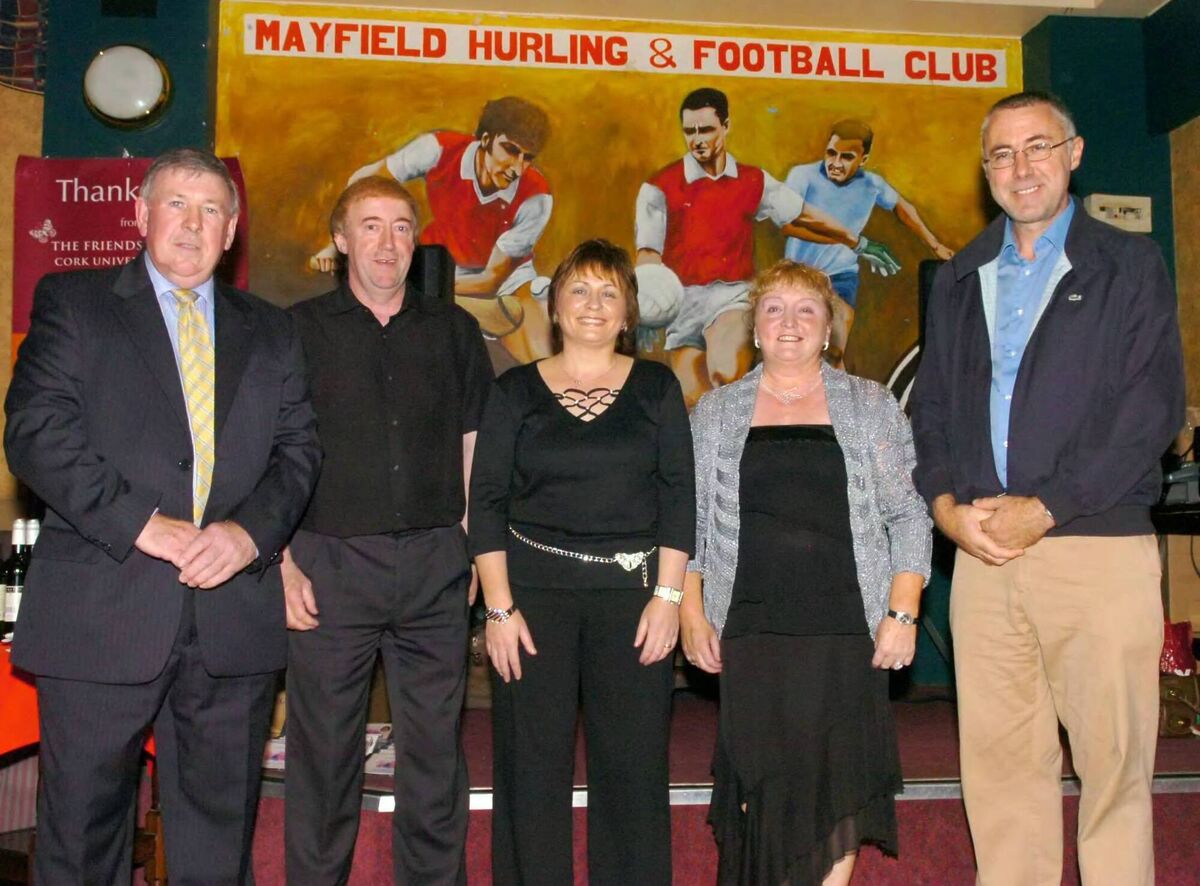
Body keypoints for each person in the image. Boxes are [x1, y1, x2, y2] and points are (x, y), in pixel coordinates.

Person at [4, 147, 321, 884]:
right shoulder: (74, 301)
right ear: (141, 215)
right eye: (177, 204)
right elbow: (36, 433)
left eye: (212, 210)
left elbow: (300, 452)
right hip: (102, 616)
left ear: (232, 230)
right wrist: (142, 523)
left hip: (232, 622)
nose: (193, 223)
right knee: (82, 845)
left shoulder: (272, 330)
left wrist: (248, 536)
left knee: (217, 852)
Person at [910, 90, 1185, 886]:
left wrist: (1049, 507)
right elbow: (931, 410)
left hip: (1095, 546)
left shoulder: (1128, 264)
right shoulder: (959, 276)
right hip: (983, 557)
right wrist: (945, 508)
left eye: (1038, 146)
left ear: (1074, 154)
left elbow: (1151, 407)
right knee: (1000, 777)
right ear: (985, 170)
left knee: (1114, 769)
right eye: (1002, 154)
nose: (1020, 167)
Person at [681, 260, 931, 885]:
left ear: (827, 329)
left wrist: (902, 613)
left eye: (806, 309)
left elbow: (909, 515)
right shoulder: (715, 413)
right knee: (761, 788)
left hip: (847, 631)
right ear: (755, 328)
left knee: (834, 788)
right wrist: (691, 612)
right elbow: (688, 526)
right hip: (750, 632)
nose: (789, 322)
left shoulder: (870, 406)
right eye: (774, 308)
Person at [284, 176, 493, 884]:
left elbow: (474, 440)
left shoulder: (453, 331)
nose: (387, 242)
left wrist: (470, 546)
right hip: (327, 567)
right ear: (341, 240)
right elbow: (269, 451)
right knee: (324, 756)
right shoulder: (296, 331)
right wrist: (282, 562)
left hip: (435, 565)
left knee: (434, 759)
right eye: (370, 226)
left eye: (401, 227)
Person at [469, 239, 695, 885]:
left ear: (627, 312)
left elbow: (679, 497)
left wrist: (669, 599)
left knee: (633, 771)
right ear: (555, 306)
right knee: (530, 768)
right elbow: (486, 502)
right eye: (579, 289)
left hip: (635, 603)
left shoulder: (657, 387)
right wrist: (498, 609)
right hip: (530, 603)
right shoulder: (513, 391)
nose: (593, 304)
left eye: (608, 292)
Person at [634, 87, 900, 403]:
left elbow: (803, 215)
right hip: (683, 304)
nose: (697, 140)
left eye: (706, 129)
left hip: (734, 296)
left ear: (725, 126)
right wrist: (646, 306)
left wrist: (857, 242)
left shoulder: (753, 180)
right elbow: (648, 253)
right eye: (689, 131)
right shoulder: (657, 187)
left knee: (725, 375)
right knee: (693, 402)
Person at [310, 96, 554, 366]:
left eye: (527, 158)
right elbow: (364, 183)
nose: (517, 168)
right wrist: (337, 244)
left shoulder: (537, 197)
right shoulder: (437, 149)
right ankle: (465, 310)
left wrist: (422, 290)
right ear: (486, 140)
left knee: (541, 350)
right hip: (436, 265)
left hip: (505, 279)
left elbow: (491, 279)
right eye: (510, 150)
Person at [783, 119, 955, 364]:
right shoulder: (802, 176)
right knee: (797, 351)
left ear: (863, 160)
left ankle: (836, 389)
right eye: (831, 153)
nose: (835, 163)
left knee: (833, 351)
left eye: (846, 157)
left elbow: (903, 208)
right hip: (796, 277)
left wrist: (935, 244)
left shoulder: (872, 184)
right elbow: (788, 225)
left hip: (841, 278)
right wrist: (853, 242)